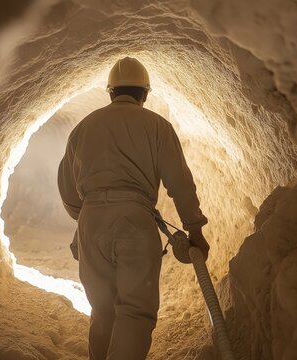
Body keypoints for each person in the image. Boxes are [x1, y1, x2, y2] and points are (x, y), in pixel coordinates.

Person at [57, 57, 209, 360]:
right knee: (135, 312)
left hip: (91, 221)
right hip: (134, 219)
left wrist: (85, 220)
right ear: (145, 94)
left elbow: (67, 187)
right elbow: (179, 183)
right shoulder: (157, 126)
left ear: (111, 92)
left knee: (102, 310)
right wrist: (194, 229)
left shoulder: (83, 127)